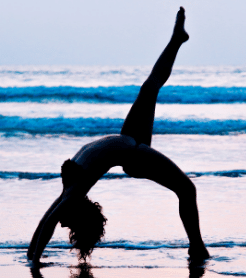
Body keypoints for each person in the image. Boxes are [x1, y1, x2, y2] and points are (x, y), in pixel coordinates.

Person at [27, 7, 210, 264]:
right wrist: (33, 257)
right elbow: (47, 220)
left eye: (65, 223)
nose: (61, 224)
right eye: (68, 226)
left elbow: (47, 220)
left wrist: (32, 258)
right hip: (133, 153)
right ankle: (197, 248)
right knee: (187, 190)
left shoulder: (72, 191)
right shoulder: (73, 190)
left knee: (150, 87)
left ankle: (176, 40)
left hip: (129, 142)